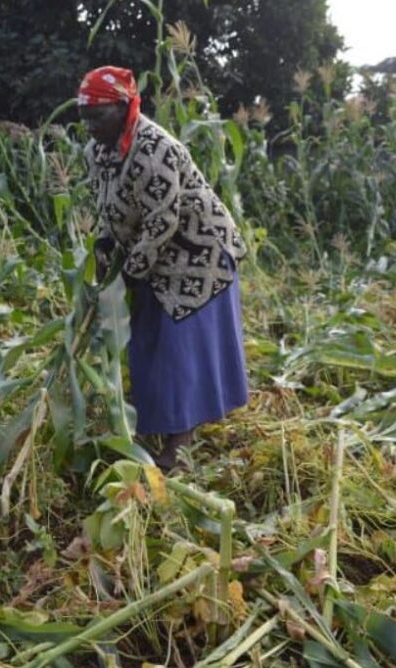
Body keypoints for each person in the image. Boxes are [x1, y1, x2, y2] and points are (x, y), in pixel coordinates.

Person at [78, 66, 248, 471]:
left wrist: (129, 274)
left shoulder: (155, 147)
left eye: (96, 115)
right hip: (155, 256)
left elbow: (162, 220)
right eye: (83, 116)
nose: (88, 126)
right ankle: (151, 423)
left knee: (177, 348)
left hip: (198, 253)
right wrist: (104, 245)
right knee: (145, 342)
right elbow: (107, 205)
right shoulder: (96, 151)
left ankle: (179, 446)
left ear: (123, 107)